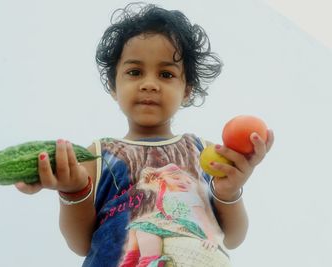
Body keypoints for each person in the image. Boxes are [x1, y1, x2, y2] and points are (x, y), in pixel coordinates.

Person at [15, 3, 274, 267]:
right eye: (135, 72)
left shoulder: (204, 151)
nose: (149, 83)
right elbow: (80, 243)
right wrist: (73, 191)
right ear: (114, 86)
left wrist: (229, 192)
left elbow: (233, 237)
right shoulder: (97, 154)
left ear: (187, 90)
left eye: (166, 74)